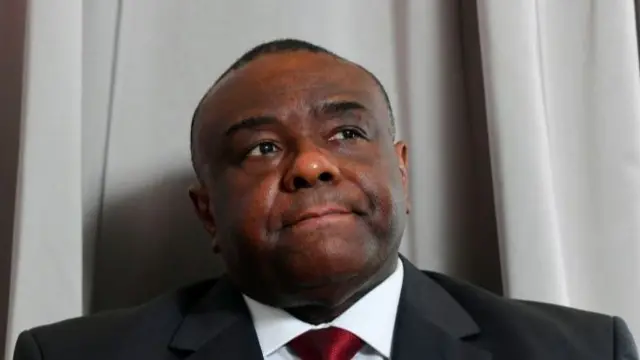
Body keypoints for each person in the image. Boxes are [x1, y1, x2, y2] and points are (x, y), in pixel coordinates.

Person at [13, 38, 638, 360]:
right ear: (207, 212)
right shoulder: (71, 359)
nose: (311, 165)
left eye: (346, 133)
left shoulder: (581, 352)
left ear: (401, 171)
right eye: (261, 148)